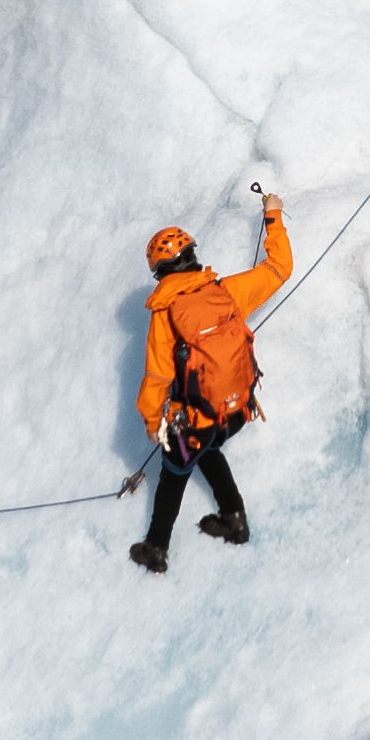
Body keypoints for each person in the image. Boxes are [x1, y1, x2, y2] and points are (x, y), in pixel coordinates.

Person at [131, 191, 288, 573]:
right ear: (192, 257)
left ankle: (156, 548)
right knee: (209, 449)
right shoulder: (227, 292)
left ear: (159, 272)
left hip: (196, 421)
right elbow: (280, 267)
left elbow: (157, 375)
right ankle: (234, 520)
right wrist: (272, 214)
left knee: (175, 473)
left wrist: (154, 423)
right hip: (236, 411)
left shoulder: (166, 314)